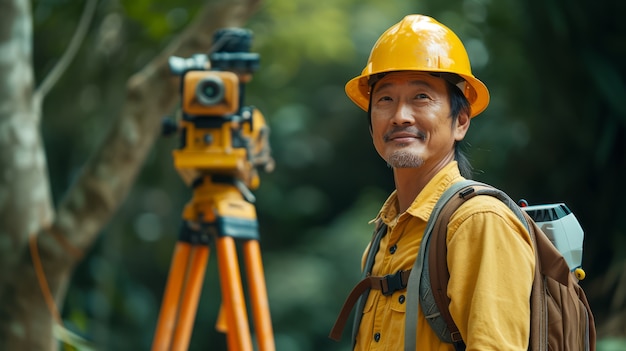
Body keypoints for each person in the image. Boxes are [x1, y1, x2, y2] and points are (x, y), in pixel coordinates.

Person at [338, 14, 535, 350]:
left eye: (421, 97)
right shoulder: (386, 232)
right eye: (385, 99)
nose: (400, 115)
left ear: (460, 121)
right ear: (371, 124)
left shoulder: (477, 223)